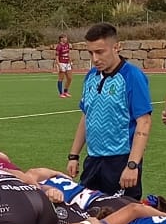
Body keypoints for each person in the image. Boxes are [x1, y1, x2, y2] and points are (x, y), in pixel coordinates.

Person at [66, 23, 154, 198]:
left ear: (116, 47)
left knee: (121, 218)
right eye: (90, 53)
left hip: (120, 161)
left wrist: (132, 165)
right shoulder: (90, 76)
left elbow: (144, 122)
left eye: (100, 52)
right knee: (87, 213)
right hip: (93, 160)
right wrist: (73, 155)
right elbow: (86, 116)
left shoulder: (132, 76)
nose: (95, 58)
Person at [53, 33, 74, 98]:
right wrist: (59, 65)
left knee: (70, 78)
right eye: (65, 38)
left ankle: (65, 91)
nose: (66, 39)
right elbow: (56, 56)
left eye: (66, 38)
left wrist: (70, 62)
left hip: (67, 63)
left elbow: (68, 54)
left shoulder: (67, 45)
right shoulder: (59, 46)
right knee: (61, 78)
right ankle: (61, 93)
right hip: (62, 63)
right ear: (61, 39)